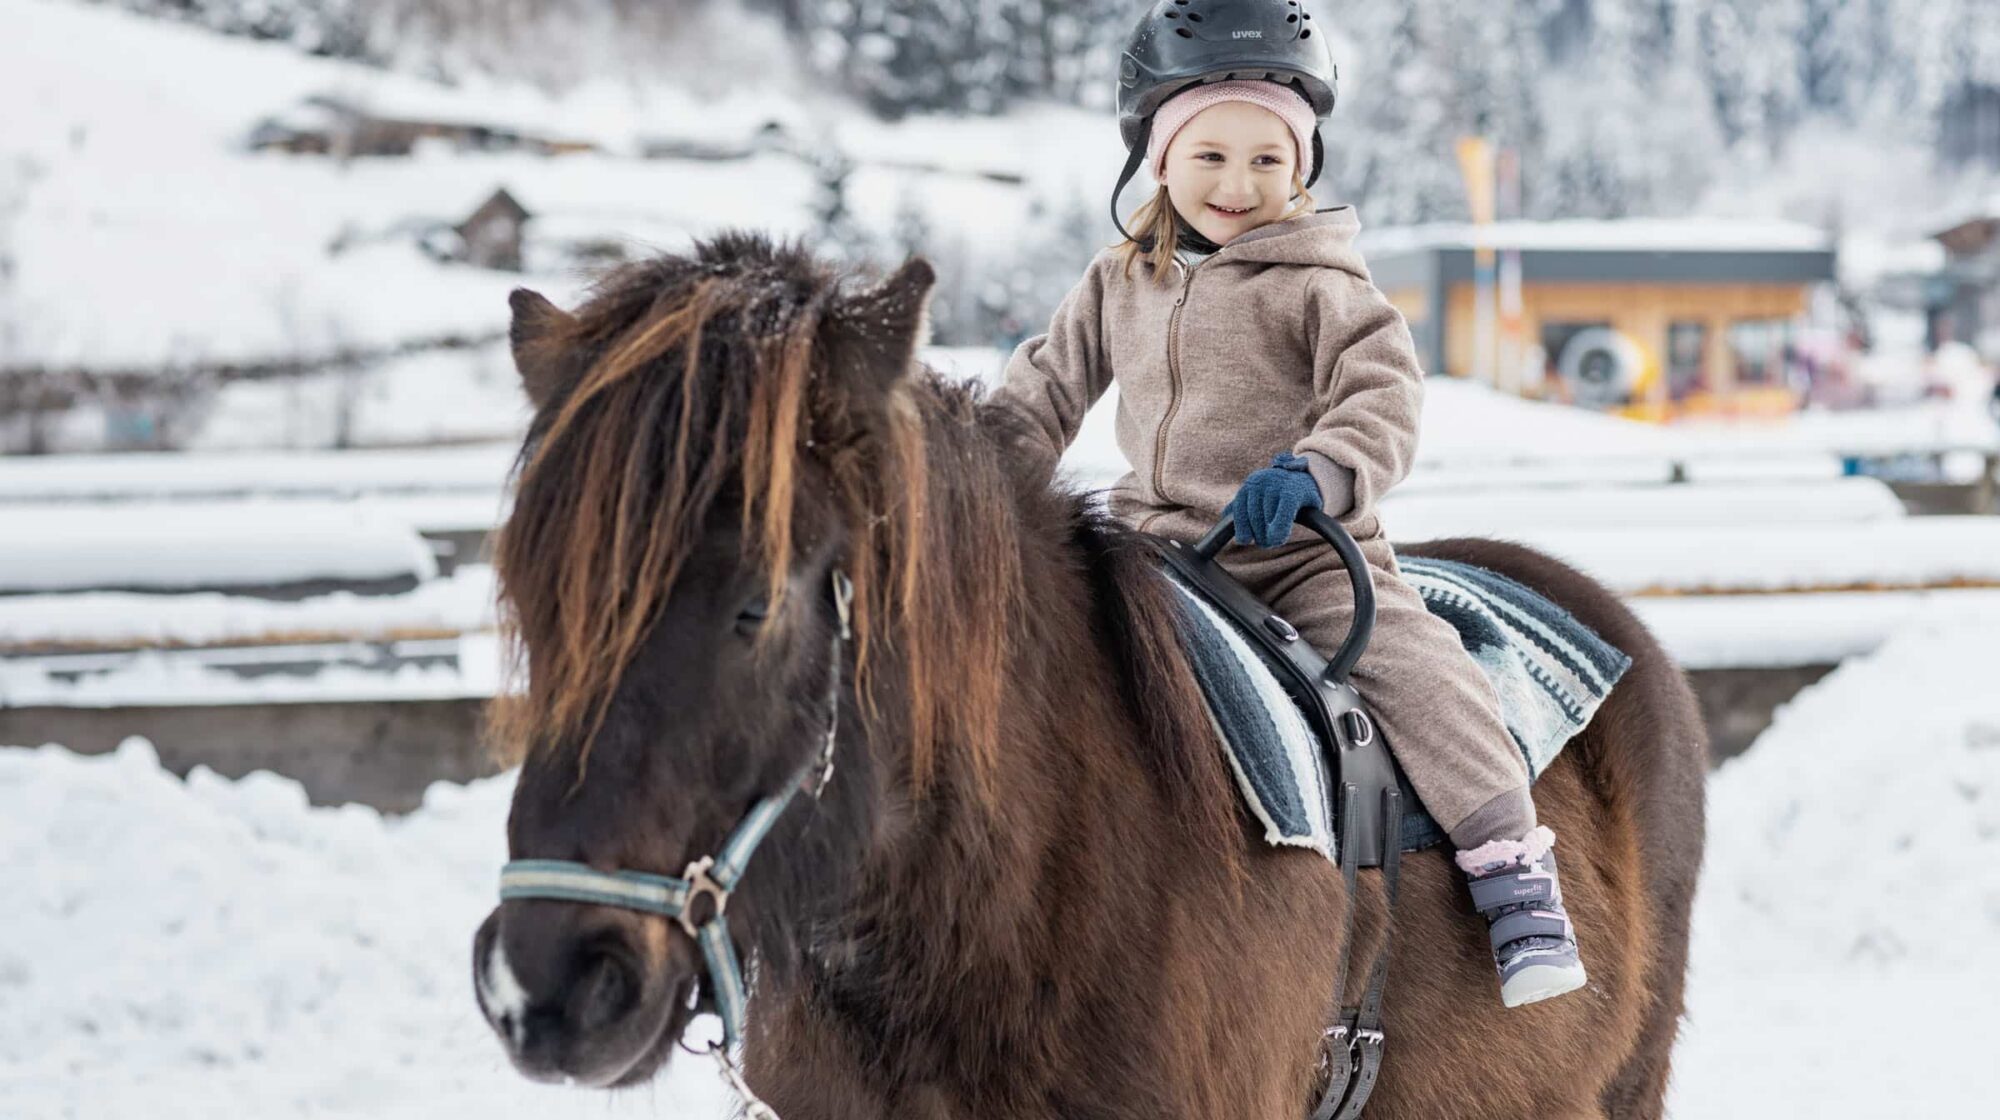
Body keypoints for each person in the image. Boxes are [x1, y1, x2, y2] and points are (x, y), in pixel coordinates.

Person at [985, 0, 1585, 1008]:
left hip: (1296, 554)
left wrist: (1317, 471)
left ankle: (1510, 872)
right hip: (1148, 552)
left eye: (1267, 160)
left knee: (1417, 673)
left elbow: (1382, 393)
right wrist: (977, 470)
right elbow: (1042, 388)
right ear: (1158, 160)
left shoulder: (1321, 281)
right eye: (1209, 154)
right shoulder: (1116, 280)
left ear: (1300, 169)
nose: (1237, 183)